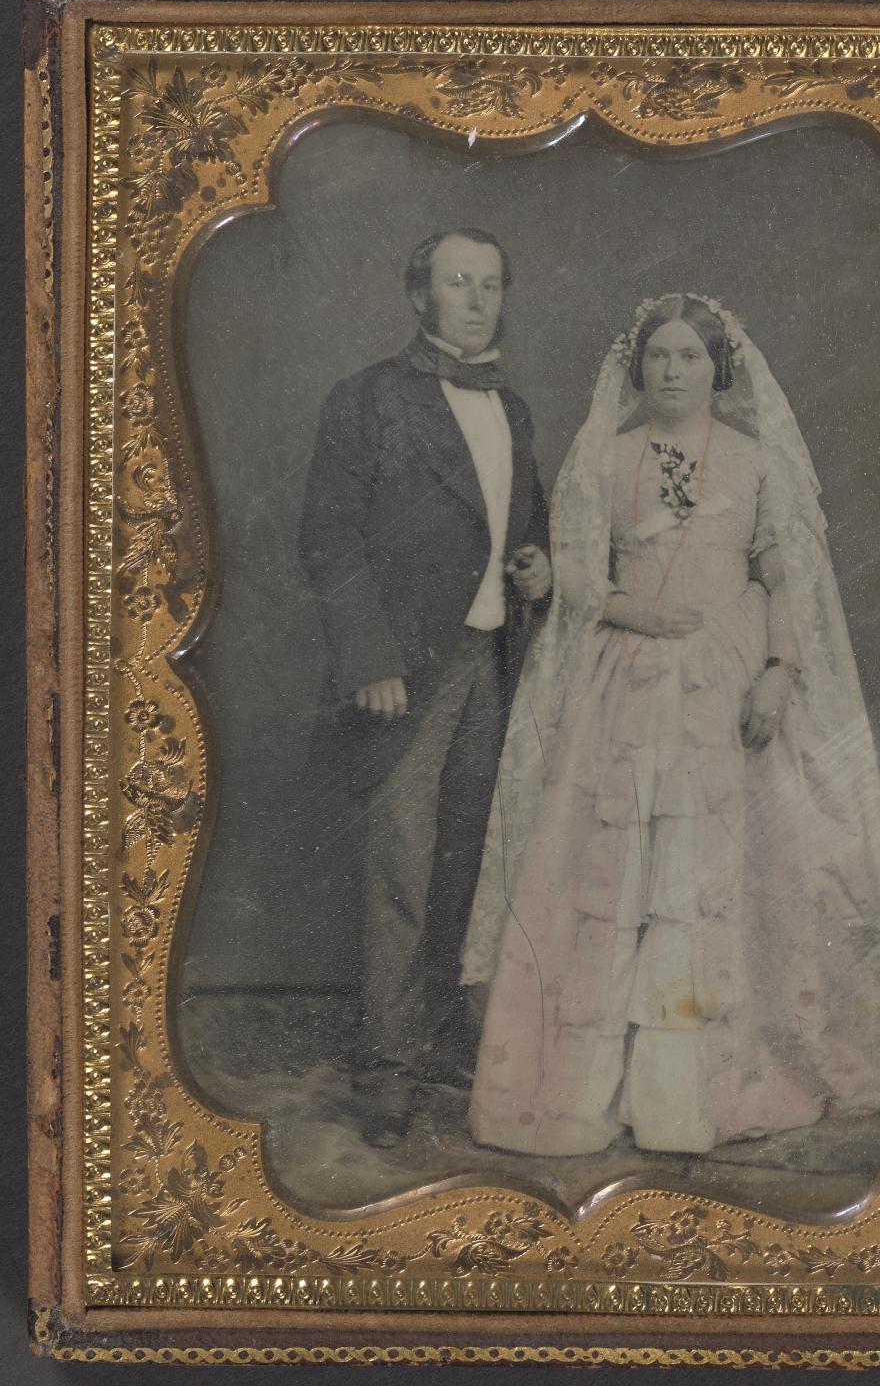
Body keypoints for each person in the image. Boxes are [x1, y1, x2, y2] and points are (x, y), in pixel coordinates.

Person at [460, 293, 880, 1158]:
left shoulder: (752, 461)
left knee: (736, 865)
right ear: (638, 369)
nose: (673, 372)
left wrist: (780, 674)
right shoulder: (608, 454)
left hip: (733, 674)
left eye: (690, 358)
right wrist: (628, 608)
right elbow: (577, 568)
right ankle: (604, 1091)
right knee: (611, 862)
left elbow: (786, 578)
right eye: (660, 357)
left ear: (720, 370)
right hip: (627, 678)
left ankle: (707, 1087)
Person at [298, 229, 550, 1142]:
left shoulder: (513, 410)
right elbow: (328, 535)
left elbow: (529, 523)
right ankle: (390, 1068)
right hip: (405, 676)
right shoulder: (368, 399)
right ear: (420, 296)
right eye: (457, 282)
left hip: (490, 663)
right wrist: (369, 660)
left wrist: (539, 568)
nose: (477, 299)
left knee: (467, 864)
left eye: (490, 283)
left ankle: (436, 1035)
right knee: (400, 870)